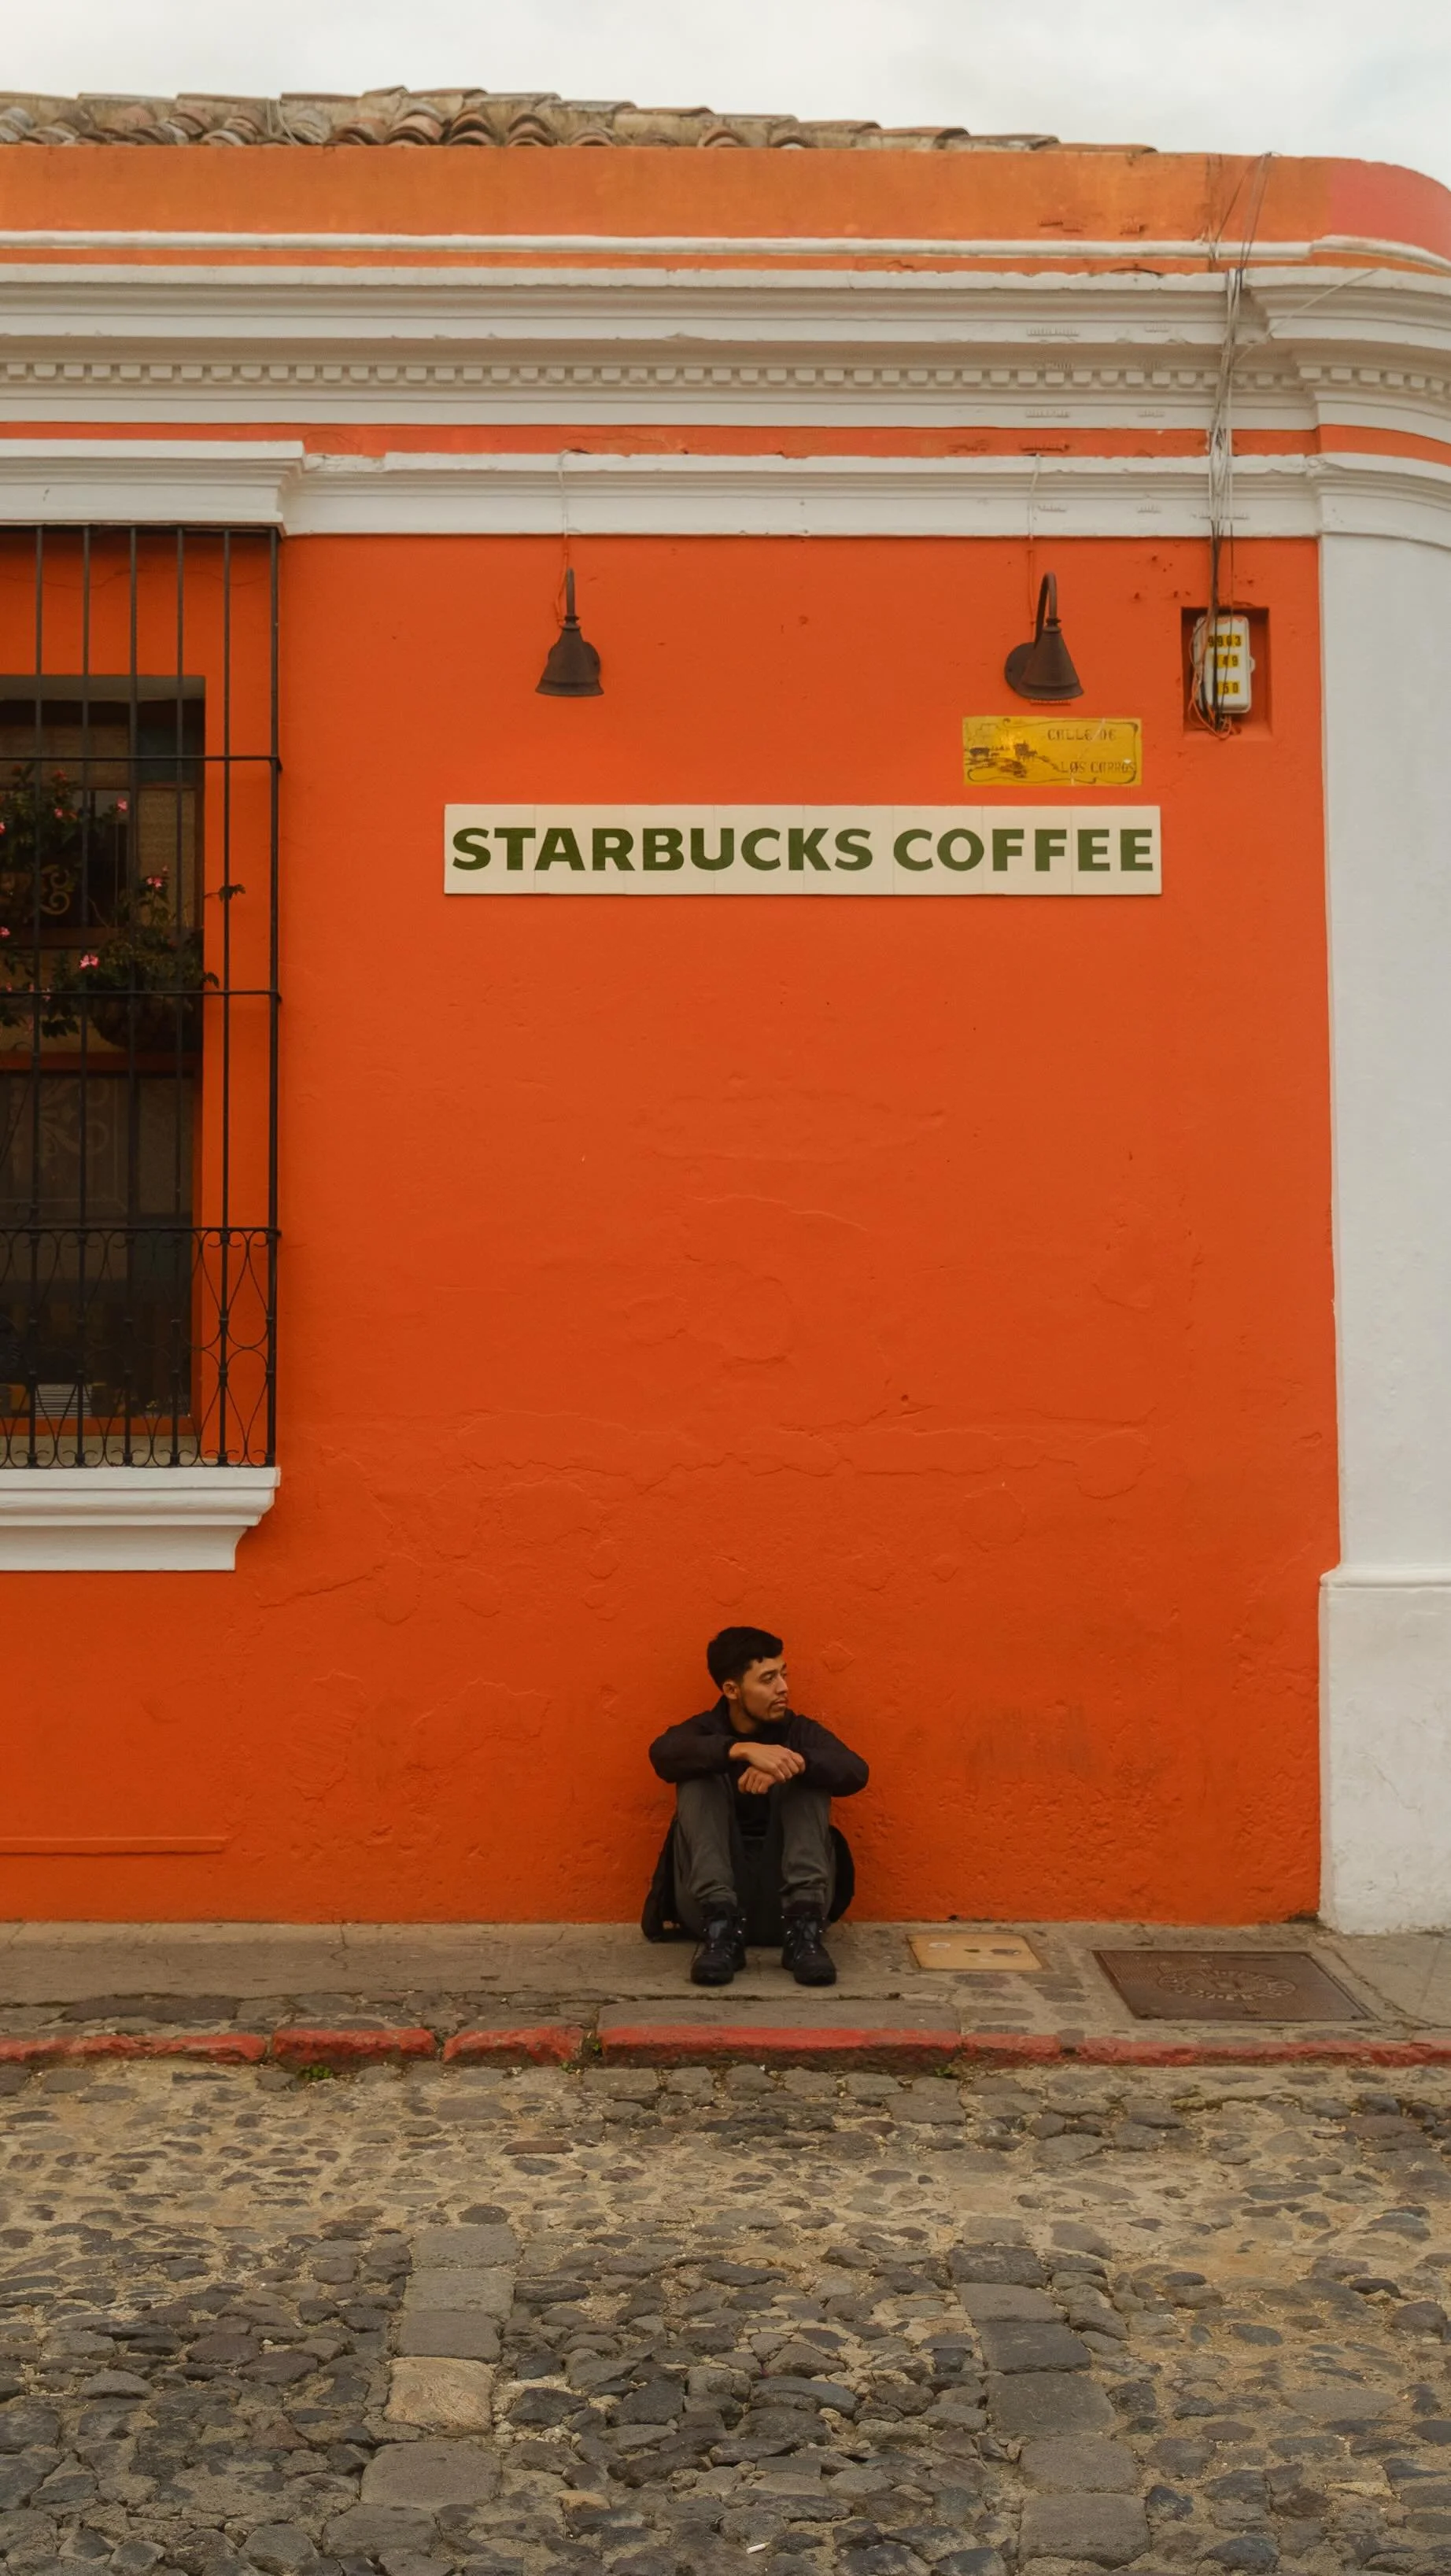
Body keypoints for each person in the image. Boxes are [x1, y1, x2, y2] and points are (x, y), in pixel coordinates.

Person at [642, 1625, 869, 1989]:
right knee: (697, 1775)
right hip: (709, 1909)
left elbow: (856, 1771)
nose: (783, 1688)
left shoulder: (798, 1732)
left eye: (783, 1674)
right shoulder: (705, 1729)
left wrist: (791, 1762)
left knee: (804, 1770)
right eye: (768, 1679)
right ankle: (721, 1932)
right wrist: (739, 1750)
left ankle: (804, 1933)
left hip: (786, 1909)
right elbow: (663, 1754)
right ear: (732, 1690)